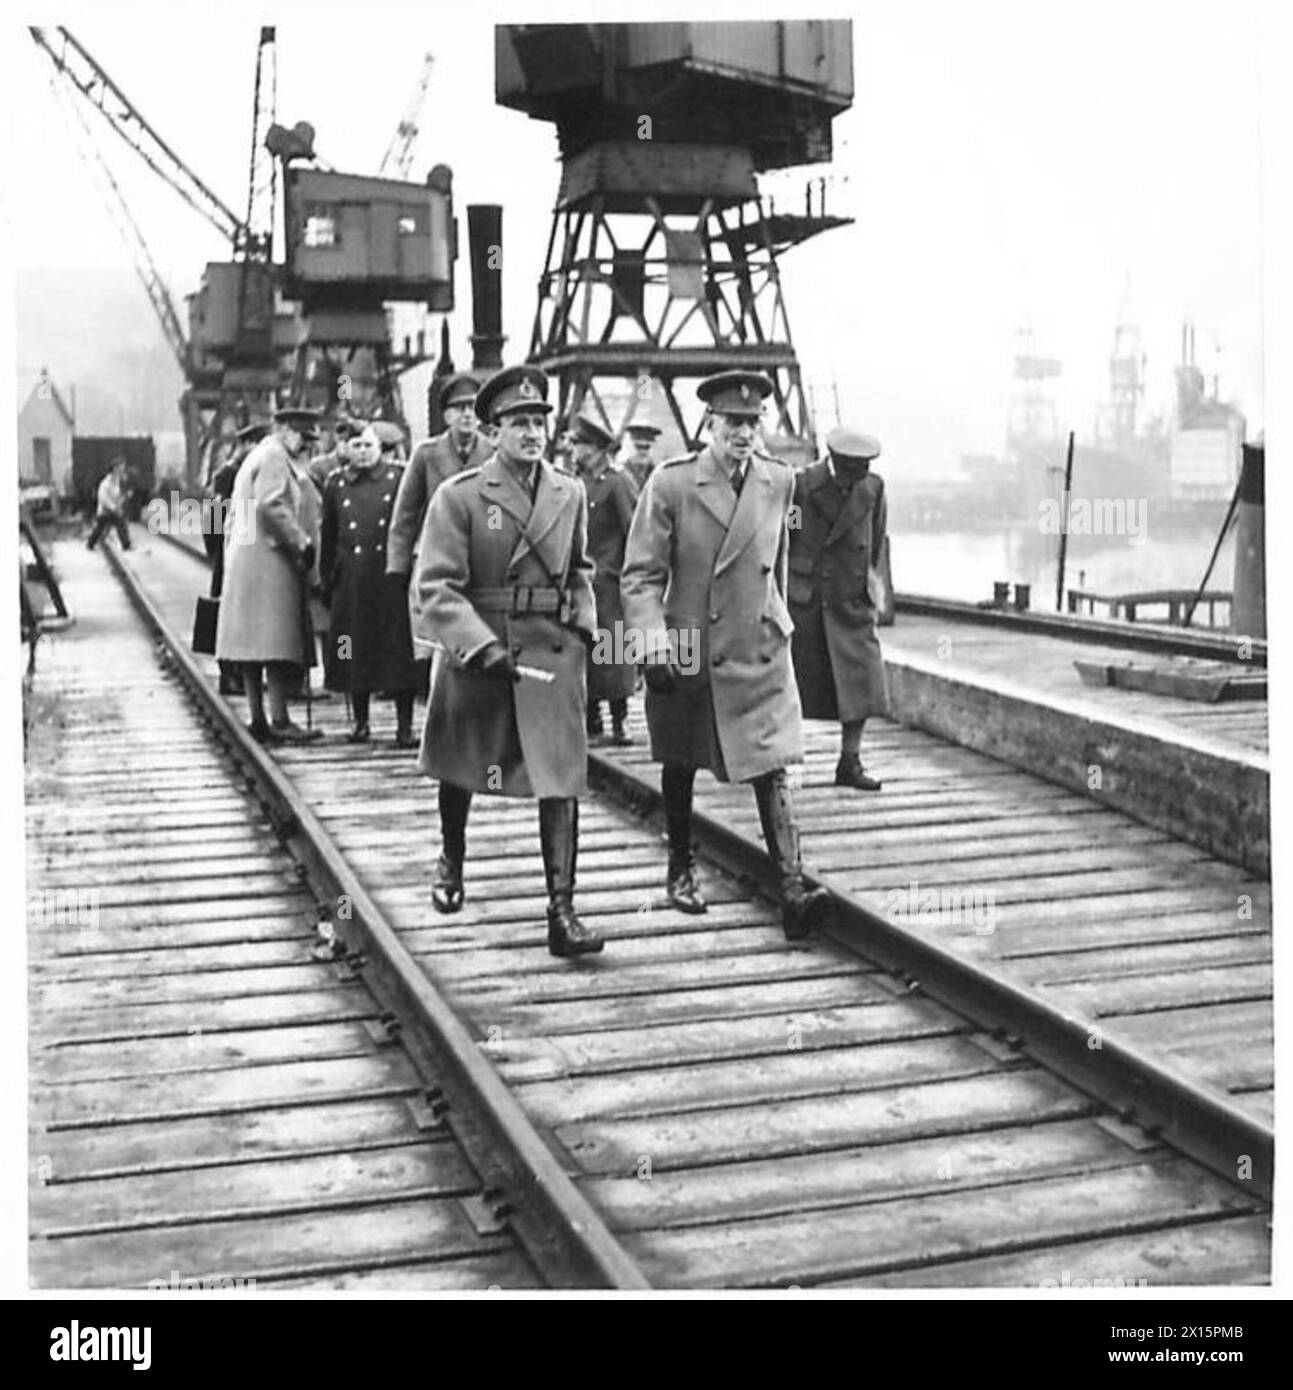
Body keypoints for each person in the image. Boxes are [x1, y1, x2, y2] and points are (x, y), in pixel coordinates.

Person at [621, 370, 831, 940]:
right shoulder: (672, 485)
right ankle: (681, 867)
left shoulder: (778, 481)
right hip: (690, 646)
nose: (743, 434)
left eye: (752, 423)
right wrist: (650, 641)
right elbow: (640, 575)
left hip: (758, 644)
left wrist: (780, 619)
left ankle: (791, 885)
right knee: (681, 760)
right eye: (732, 423)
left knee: (773, 759)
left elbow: (779, 561)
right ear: (709, 424)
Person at [414, 364, 602, 958]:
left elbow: (580, 571)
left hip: (549, 652)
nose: (532, 434)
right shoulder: (461, 496)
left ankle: (562, 910)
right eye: (519, 424)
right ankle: (452, 858)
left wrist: (585, 630)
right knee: (461, 765)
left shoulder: (569, 493)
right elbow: (436, 585)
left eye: (539, 423)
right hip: (483, 650)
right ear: (494, 432)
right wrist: (479, 645)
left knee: (561, 777)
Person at [789, 427, 890, 790]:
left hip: (851, 598)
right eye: (849, 471)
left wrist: (866, 586)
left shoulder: (873, 488)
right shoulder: (801, 487)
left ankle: (850, 761)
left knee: (860, 682)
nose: (853, 481)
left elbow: (875, 541)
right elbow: (788, 535)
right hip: (808, 600)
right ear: (834, 461)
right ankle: (785, 762)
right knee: (795, 684)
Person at [215, 407, 323, 745]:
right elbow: (272, 504)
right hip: (270, 561)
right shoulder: (276, 457)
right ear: (287, 431)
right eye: (304, 438)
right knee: (276, 644)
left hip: (246, 559)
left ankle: (258, 717)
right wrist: (301, 543)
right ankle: (279, 719)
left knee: (251, 646)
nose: (306, 447)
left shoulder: (256, 455)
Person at [319, 423, 421, 746]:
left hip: (389, 577)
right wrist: (326, 578)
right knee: (353, 650)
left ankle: (404, 727)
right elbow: (329, 535)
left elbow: (410, 523)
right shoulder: (335, 484)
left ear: (380, 447)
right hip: (352, 578)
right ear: (345, 449)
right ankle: (360, 722)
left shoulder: (399, 478)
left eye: (368, 445)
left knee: (397, 652)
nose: (362, 452)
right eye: (356, 445)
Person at [386, 374, 491, 607]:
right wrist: (398, 567)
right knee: (435, 631)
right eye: (459, 408)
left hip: (481, 563)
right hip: (436, 558)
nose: (467, 415)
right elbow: (405, 515)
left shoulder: (494, 454)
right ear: (447, 416)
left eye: (473, 408)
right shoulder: (426, 455)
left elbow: (498, 510)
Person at [569, 411, 638, 745]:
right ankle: (592, 719)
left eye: (579, 443)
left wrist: (624, 573)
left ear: (595, 448)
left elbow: (635, 531)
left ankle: (620, 720)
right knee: (586, 650)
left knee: (614, 652)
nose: (573, 449)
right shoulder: (577, 482)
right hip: (583, 583)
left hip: (610, 583)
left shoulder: (617, 482)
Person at [206, 420, 270, 696]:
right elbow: (214, 519)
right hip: (231, 552)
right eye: (255, 443)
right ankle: (229, 674)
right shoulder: (231, 474)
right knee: (227, 611)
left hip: (239, 550)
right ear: (245, 445)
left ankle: (239, 674)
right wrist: (218, 552)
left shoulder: (246, 470)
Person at [86, 459, 132, 551]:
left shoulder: (117, 480)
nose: (123, 469)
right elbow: (103, 498)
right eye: (121, 467)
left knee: (121, 524)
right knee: (100, 527)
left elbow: (118, 494)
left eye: (123, 467)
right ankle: (90, 543)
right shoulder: (107, 482)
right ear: (115, 468)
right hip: (105, 510)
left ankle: (126, 545)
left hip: (113, 509)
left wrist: (125, 496)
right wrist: (114, 507)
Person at [307, 417, 358, 491]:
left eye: (350, 440)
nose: (346, 445)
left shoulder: (363, 469)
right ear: (336, 438)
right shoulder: (318, 465)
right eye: (342, 440)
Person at [623, 421, 661, 493]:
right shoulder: (620, 475)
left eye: (647, 447)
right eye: (638, 447)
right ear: (629, 447)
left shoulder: (658, 476)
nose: (642, 452)